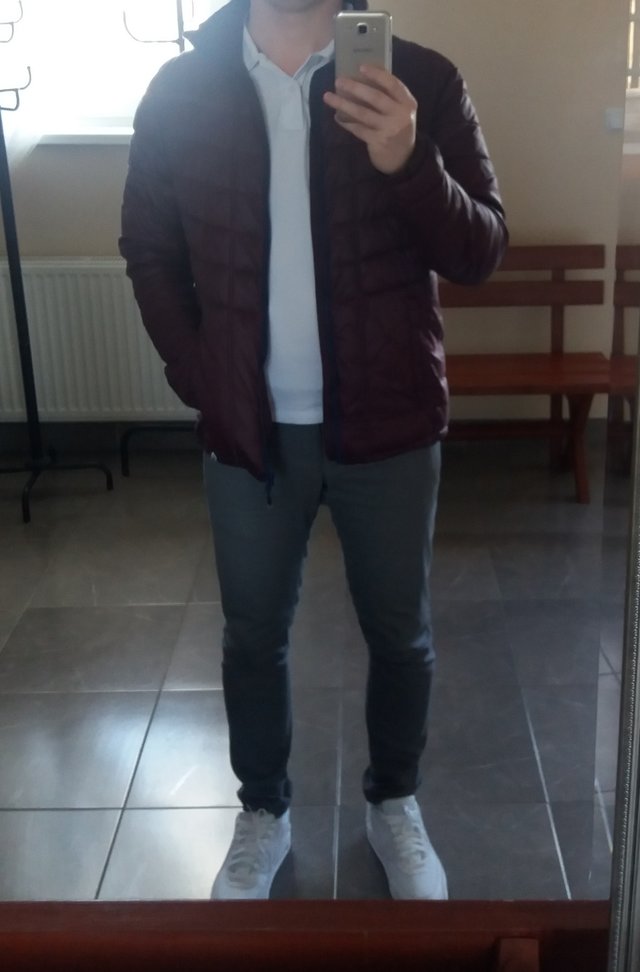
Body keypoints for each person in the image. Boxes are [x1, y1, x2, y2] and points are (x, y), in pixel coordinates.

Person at [120, 0, 508, 901]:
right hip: (249, 431)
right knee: (252, 637)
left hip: (388, 421)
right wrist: (200, 375)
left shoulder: (421, 79)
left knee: (401, 637)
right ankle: (264, 810)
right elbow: (148, 248)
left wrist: (410, 161)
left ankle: (394, 802)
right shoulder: (182, 90)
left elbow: (481, 249)